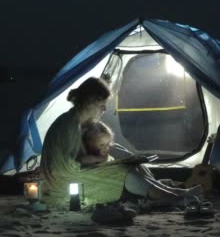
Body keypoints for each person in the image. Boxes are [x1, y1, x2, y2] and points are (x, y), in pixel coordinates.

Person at [40, 77, 132, 213]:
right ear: (89, 102)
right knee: (126, 172)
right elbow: (70, 166)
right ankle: (160, 193)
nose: (105, 109)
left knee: (130, 165)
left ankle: (161, 190)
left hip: (68, 178)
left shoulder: (78, 122)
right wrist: (101, 162)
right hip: (62, 185)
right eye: (102, 105)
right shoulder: (69, 125)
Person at [79, 120, 203, 209]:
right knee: (128, 173)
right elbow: (88, 164)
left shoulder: (105, 151)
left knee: (133, 166)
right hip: (112, 179)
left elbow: (119, 155)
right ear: (89, 144)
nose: (106, 148)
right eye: (102, 145)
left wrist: (134, 159)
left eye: (107, 144)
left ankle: (176, 192)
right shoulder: (85, 156)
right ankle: (176, 197)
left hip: (115, 176)